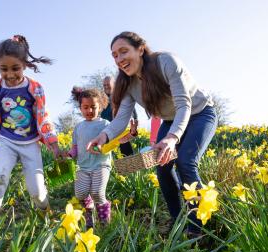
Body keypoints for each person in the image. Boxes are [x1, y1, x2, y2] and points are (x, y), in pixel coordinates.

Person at [87, 31, 218, 237]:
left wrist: (172, 138)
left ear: (140, 49)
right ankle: (178, 224)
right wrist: (104, 136)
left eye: (123, 51)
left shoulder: (166, 62)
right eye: (114, 55)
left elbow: (184, 104)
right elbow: (121, 119)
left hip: (200, 113)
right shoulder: (128, 83)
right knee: (163, 167)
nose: (119, 59)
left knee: (186, 162)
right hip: (170, 120)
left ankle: (199, 228)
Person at [0, 35, 61, 252]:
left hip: (31, 144)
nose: (9, 75)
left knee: (37, 190)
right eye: (3, 69)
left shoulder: (35, 88)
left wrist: (54, 145)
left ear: (25, 65)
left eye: (15, 68)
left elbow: (43, 118)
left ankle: (46, 216)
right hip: (7, 142)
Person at [69, 87, 137, 229]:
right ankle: (89, 210)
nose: (89, 111)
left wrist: (131, 133)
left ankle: (104, 222)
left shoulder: (105, 124)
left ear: (100, 106)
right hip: (83, 167)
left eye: (93, 107)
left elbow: (118, 140)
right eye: (85, 107)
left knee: (97, 193)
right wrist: (69, 155)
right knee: (80, 194)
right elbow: (74, 147)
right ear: (80, 108)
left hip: (101, 165)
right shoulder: (78, 127)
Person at [101, 76, 138, 156]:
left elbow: (133, 114)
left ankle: (130, 167)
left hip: (123, 133)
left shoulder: (123, 97)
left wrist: (132, 130)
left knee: (126, 157)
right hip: (109, 135)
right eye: (104, 85)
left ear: (114, 84)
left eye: (108, 84)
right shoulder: (102, 101)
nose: (106, 87)